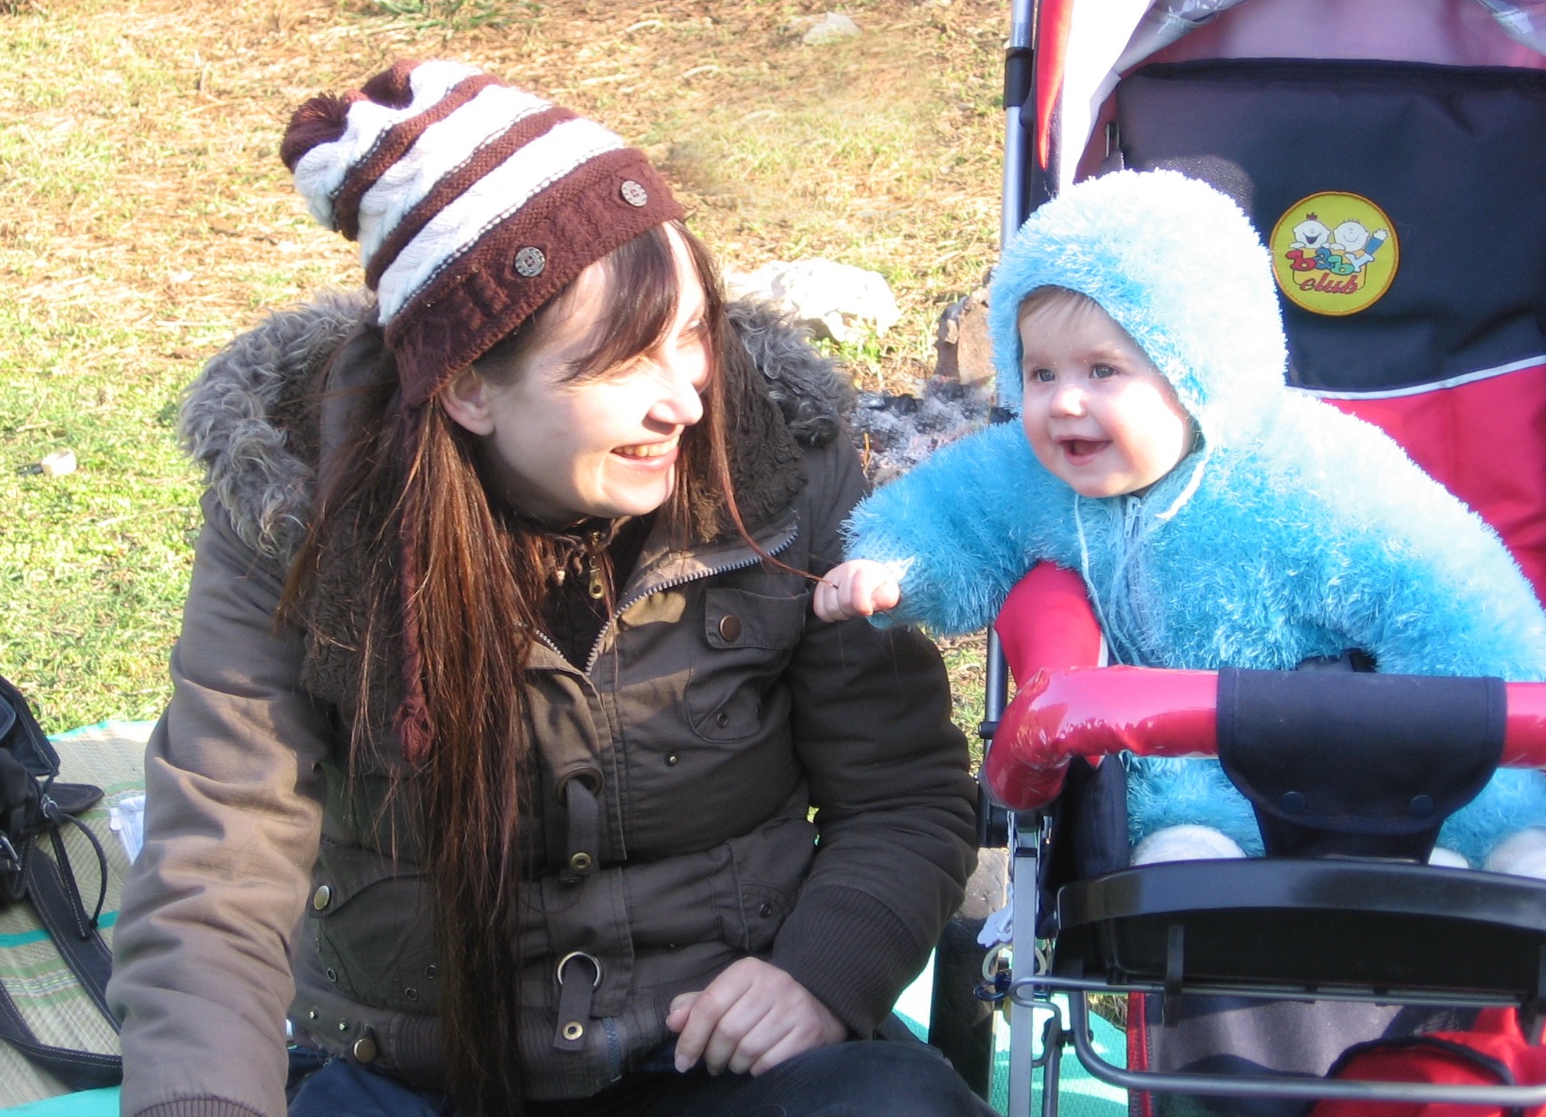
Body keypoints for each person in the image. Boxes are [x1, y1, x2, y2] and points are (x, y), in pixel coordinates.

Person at [107, 59, 989, 1117]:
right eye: (620, 363)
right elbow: (218, 878)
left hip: (726, 1064)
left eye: (691, 335)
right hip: (412, 1077)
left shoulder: (782, 466)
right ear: (469, 389)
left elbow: (902, 791)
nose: (685, 401)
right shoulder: (294, 516)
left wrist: (819, 977)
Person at [814, 168, 1546, 876]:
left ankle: (1503, 855)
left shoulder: (1306, 473)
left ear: (1196, 368)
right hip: (1187, 760)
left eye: (1103, 371)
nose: (1064, 401)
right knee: (1177, 832)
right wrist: (894, 566)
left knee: (1476, 810)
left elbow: (1442, 585)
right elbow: (958, 513)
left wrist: (1524, 710)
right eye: (1041, 373)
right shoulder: (1033, 474)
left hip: (1359, 747)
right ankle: (1195, 882)